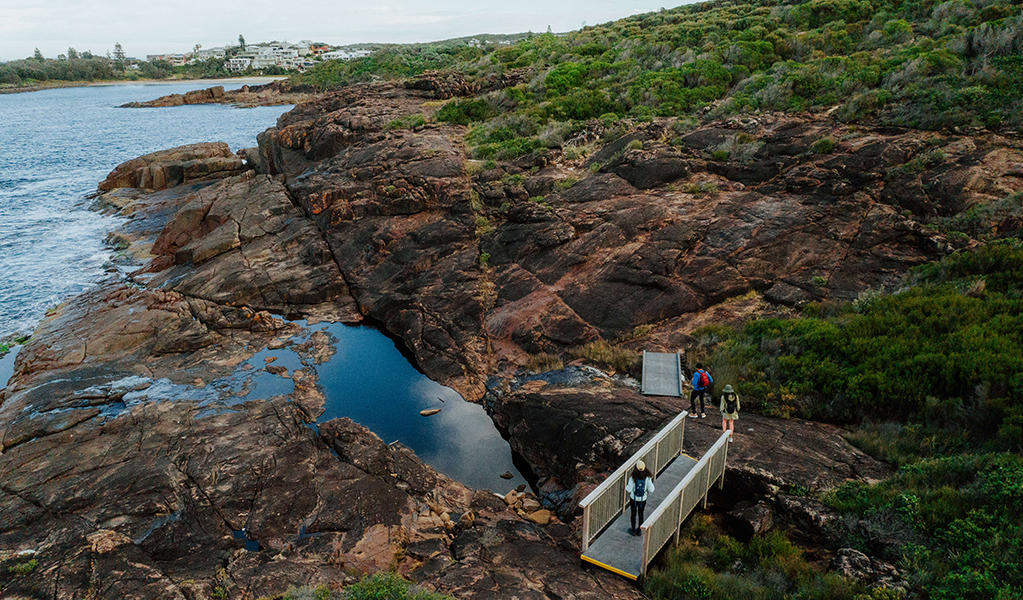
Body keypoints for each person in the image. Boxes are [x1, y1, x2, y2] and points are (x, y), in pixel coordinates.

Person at [625, 460, 654, 537]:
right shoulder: (647, 478)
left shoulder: (633, 478)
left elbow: (629, 489)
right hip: (643, 499)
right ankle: (639, 530)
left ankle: (633, 530)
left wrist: (626, 486)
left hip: (633, 499)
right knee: (641, 514)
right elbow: (651, 489)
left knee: (633, 514)